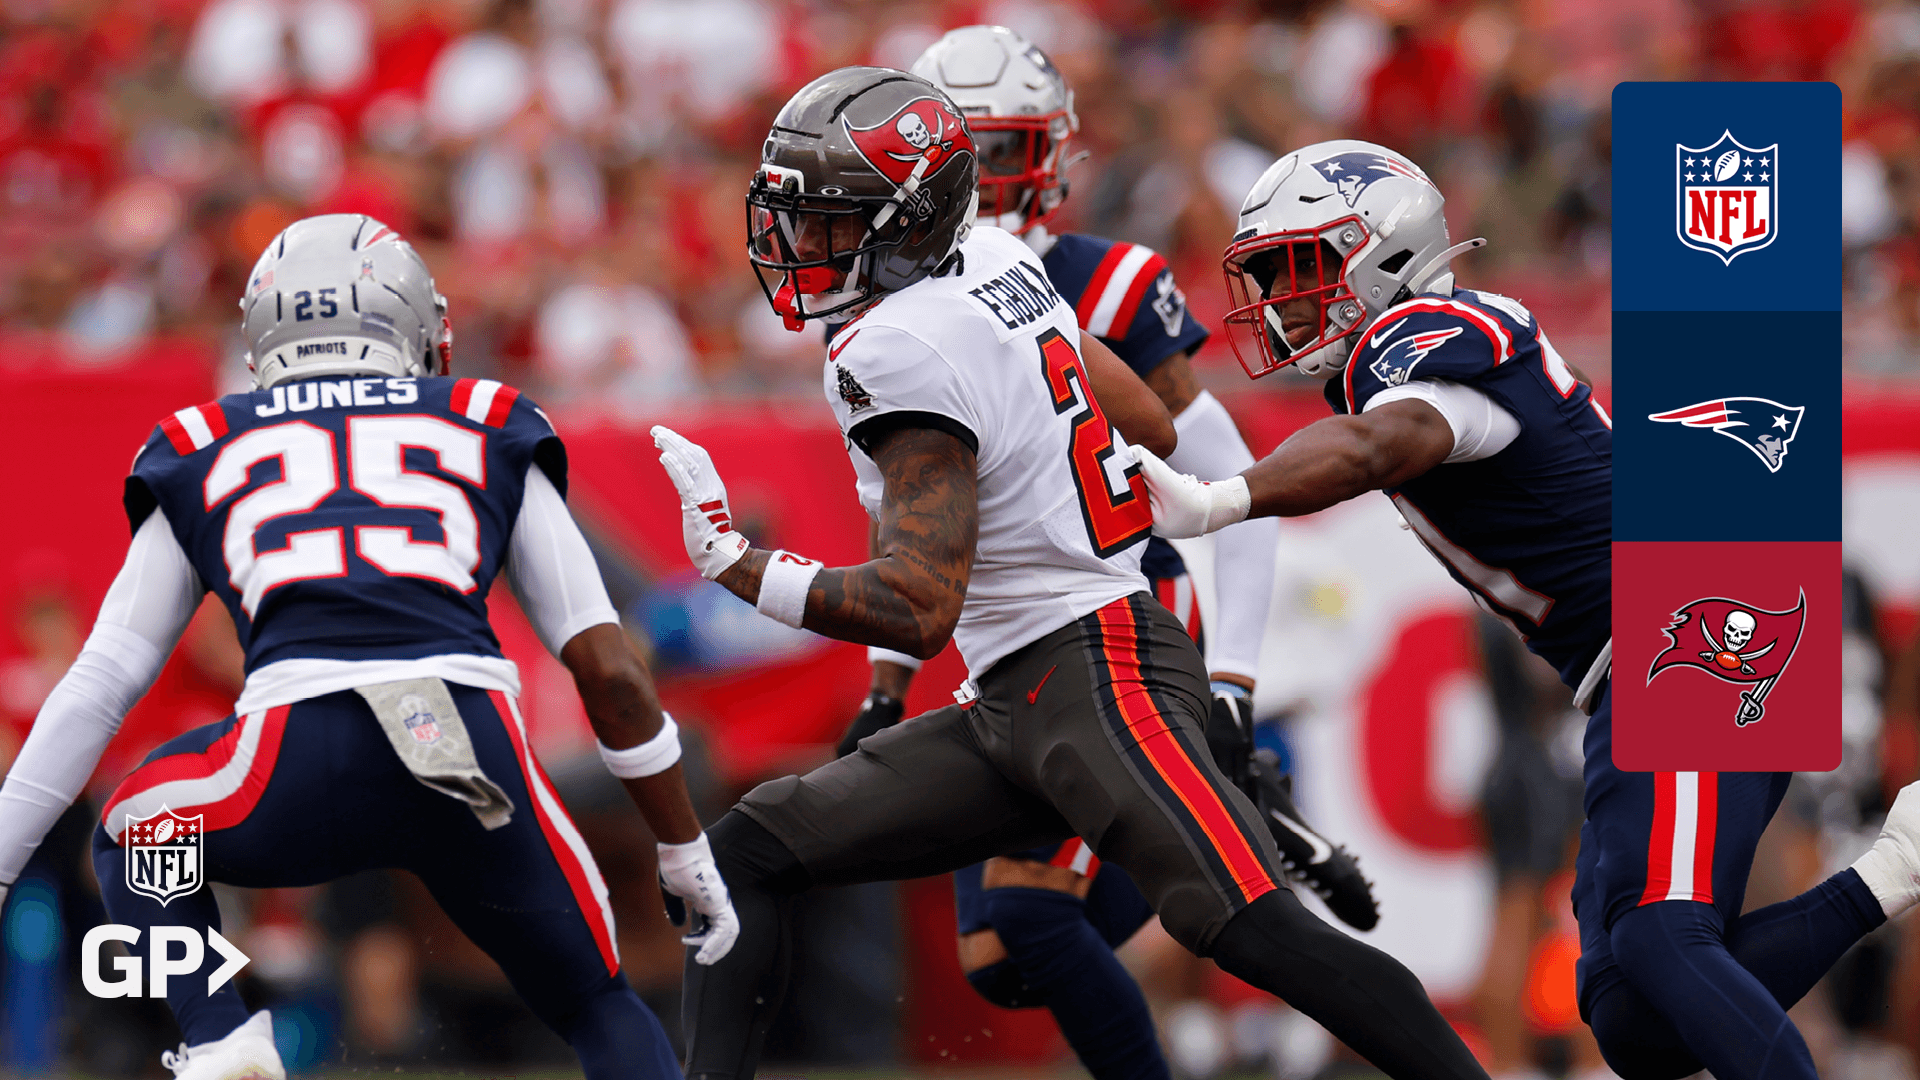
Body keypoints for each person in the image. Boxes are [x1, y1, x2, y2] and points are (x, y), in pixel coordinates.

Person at [654, 68, 1488, 1080]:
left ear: (908, 221)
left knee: (1257, 929)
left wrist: (737, 565)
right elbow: (1146, 421)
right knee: (741, 859)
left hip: (1094, 678)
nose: (798, 245)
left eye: (829, 221)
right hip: (1021, 693)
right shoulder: (995, 258)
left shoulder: (894, 345)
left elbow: (918, 606)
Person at [1137, 138, 1920, 1080]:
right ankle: (1895, 869)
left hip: (1692, 621)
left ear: (1376, 250)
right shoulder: (1417, 353)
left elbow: (1385, 442)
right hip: (1650, 652)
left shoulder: (1425, 337)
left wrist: (1221, 499)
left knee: (1664, 937)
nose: (1278, 298)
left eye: (1292, 266)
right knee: (1632, 1017)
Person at [0, 214, 737, 1080]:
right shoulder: (487, 418)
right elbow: (609, 669)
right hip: (473, 751)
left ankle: (222, 1038)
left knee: (133, 831)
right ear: (413, 322)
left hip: (294, 753)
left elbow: (103, 681)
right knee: (598, 1003)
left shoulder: (199, 443)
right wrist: (683, 846)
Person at [819, 27, 1374, 1080]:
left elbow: (1233, 480)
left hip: (1122, 613)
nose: (993, 177)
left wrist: (1233, 684)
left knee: (1034, 919)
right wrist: (886, 683)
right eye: (974, 150)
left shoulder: (1103, 281)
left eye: (1008, 147)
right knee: (999, 959)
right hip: (1011, 643)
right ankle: (1240, 822)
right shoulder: (887, 305)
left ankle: (1230, 831)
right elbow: (906, 515)